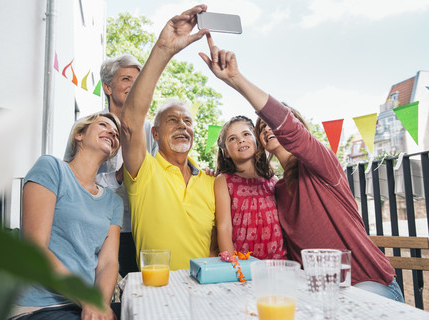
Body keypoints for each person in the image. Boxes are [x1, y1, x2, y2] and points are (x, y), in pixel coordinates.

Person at [200, 34, 404, 302]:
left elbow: (289, 129)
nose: (268, 128)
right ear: (262, 144)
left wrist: (236, 80)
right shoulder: (277, 189)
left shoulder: (322, 165)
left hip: (367, 284)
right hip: (315, 294)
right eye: (262, 127)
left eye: (272, 123)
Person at [120, 5, 217, 271]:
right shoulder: (144, 169)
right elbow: (129, 121)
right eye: (172, 120)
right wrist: (164, 49)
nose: (182, 126)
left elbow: (214, 244)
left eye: (188, 121)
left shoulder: (210, 181)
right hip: (155, 294)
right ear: (154, 132)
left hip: (203, 295)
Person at [11, 113, 123, 319]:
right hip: (37, 307)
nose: (112, 133)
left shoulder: (114, 202)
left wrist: (98, 305)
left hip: (83, 306)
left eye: (116, 134)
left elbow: (108, 263)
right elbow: (35, 248)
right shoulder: (51, 168)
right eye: (103, 125)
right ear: (79, 134)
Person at [63, 54, 158, 278]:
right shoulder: (86, 127)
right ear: (107, 87)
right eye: (126, 79)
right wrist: (116, 177)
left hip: (138, 228)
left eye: (138, 80)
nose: (134, 86)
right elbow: (71, 180)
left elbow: (158, 176)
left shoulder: (150, 130)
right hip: (97, 228)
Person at [214, 115, 287, 260]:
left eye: (246, 134)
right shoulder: (223, 181)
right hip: (243, 264)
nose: (241, 140)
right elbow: (224, 228)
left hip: (278, 263)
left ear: (257, 141)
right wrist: (234, 266)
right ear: (226, 152)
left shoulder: (273, 181)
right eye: (232, 138)